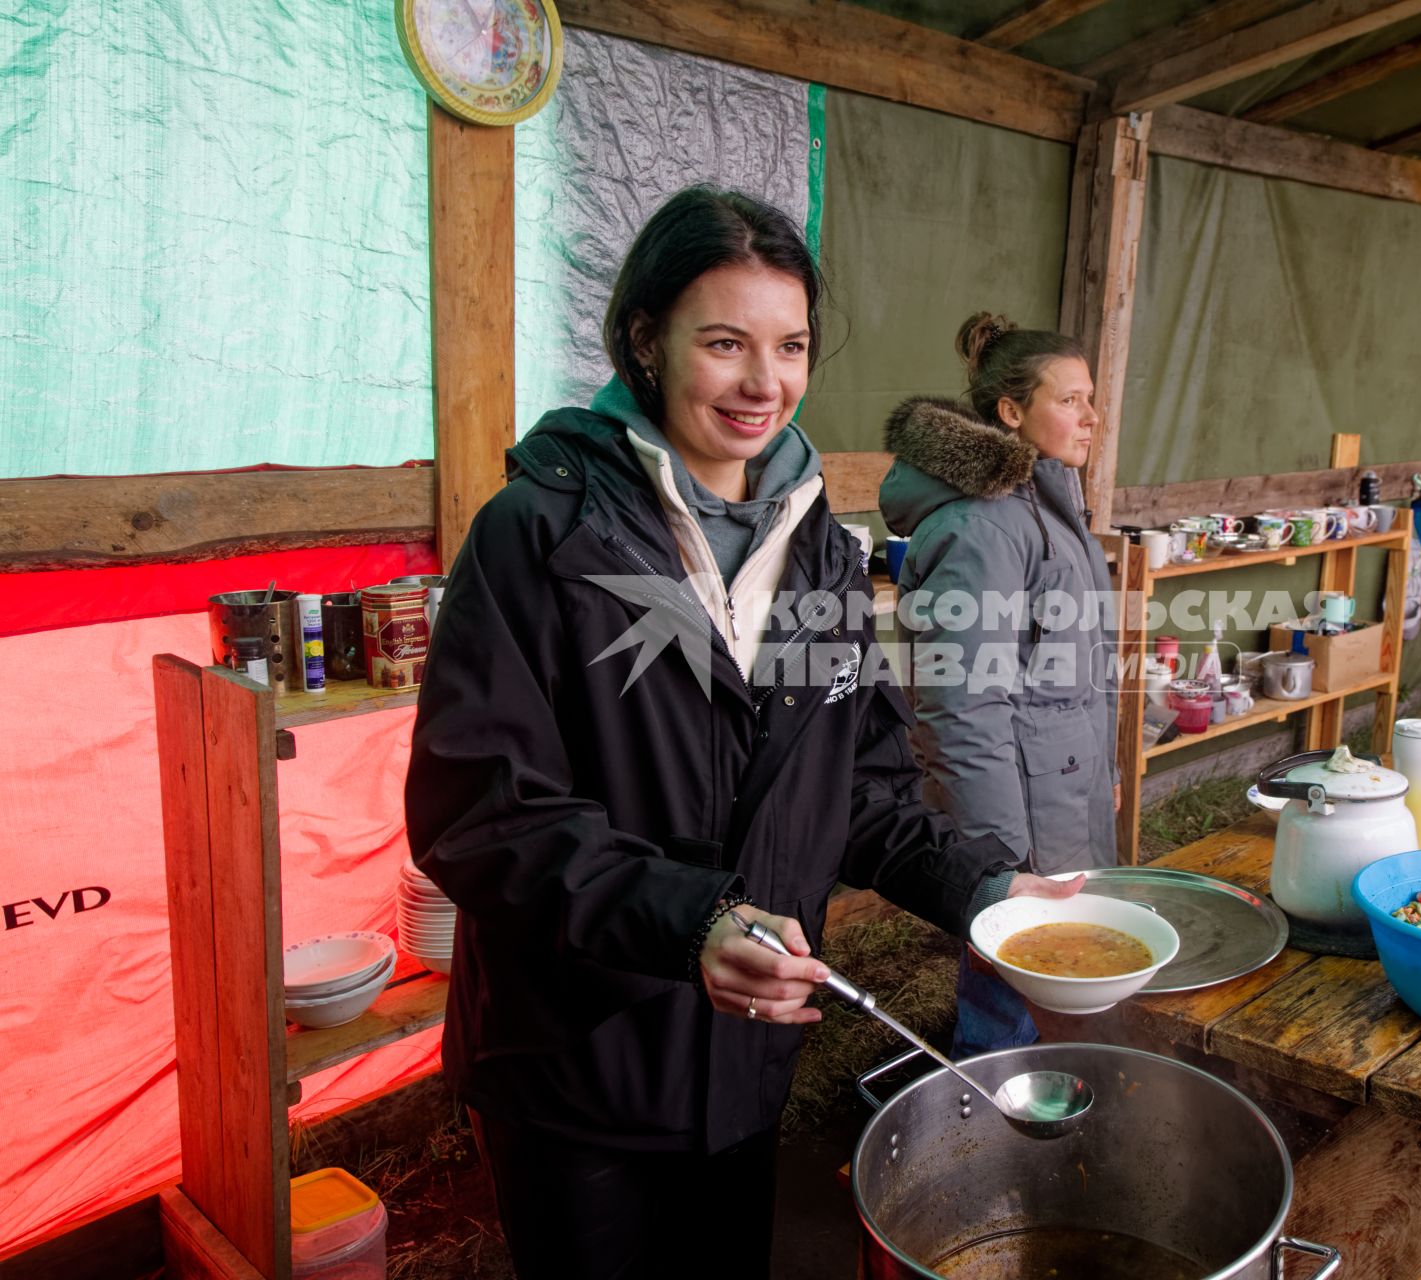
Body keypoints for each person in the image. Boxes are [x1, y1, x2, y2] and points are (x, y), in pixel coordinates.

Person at [404, 189, 1078, 1279]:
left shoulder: (818, 551)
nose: (764, 382)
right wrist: (688, 922)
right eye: (725, 343)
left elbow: (857, 785)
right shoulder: (539, 531)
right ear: (645, 339)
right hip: (582, 1061)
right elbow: (480, 808)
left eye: (791, 346)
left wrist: (989, 894)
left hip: (747, 1054)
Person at [878, 313, 1120, 1058]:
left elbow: (1080, 667)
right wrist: (998, 859)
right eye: (1071, 400)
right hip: (1016, 802)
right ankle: (986, 1105)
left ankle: (1052, 1084)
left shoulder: (1056, 509)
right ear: (1012, 412)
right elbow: (961, 707)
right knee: (1009, 963)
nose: (1092, 416)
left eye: (1091, 399)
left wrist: (1103, 772)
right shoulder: (981, 528)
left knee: (1060, 961)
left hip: (1064, 786)